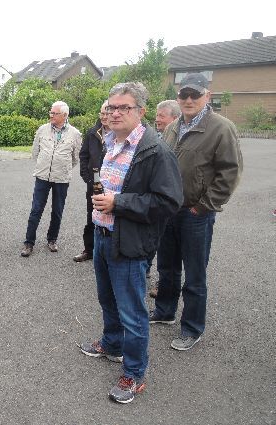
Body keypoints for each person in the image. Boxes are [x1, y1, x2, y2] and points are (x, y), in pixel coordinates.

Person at [79, 82, 183, 404]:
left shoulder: (155, 150)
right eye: (111, 107)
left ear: (141, 111)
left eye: (123, 107)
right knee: (107, 299)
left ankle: (134, 373)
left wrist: (118, 203)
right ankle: (112, 345)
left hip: (129, 242)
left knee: (132, 312)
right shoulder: (110, 142)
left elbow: (169, 201)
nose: (115, 113)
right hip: (102, 235)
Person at [151, 73, 243, 351]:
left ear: (207, 96)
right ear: (178, 97)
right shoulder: (173, 126)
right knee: (167, 267)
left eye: (195, 94)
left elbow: (230, 173)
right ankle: (165, 311)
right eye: (184, 94)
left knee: (194, 273)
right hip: (169, 210)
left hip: (196, 214)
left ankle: (192, 327)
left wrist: (202, 206)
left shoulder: (222, 128)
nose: (189, 99)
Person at [20, 101, 81, 257]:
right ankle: (29, 242)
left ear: (65, 115)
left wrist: (62, 167)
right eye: (51, 112)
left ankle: (52, 239)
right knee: (36, 209)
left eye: (54, 113)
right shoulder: (42, 129)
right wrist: (44, 165)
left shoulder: (75, 134)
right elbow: (35, 152)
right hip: (42, 176)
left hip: (62, 178)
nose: (51, 115)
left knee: (57, 211)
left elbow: (75, 158)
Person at [146, 99, 182, 297]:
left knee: (170, 249)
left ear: (174, 118)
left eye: (161, 115)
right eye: (157, 115)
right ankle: (147, 271)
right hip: (154, 198)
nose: (157, 119)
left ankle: (165, 285)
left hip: (175, 201)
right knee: (153, 240)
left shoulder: (177, 137)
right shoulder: (154, 135)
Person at [73, 100, 109, 263]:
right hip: (94, 181)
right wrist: (86, 177)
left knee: (111, 217)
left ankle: (107, 253)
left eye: (107, 113)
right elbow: (83, 155)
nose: (104, 116)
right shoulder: (92, 132)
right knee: (92, 216)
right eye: (102, 113)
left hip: (113, 183)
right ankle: (89, 250)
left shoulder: (120, 132)